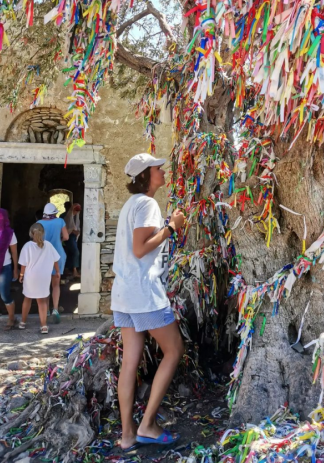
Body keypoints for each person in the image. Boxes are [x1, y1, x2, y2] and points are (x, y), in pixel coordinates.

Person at [112, 153, 186, 450]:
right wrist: (171, 227)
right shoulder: (147, 203)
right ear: (145, 175)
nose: (162, 171)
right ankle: (147, 425)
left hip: (124, 294)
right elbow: (141, 249)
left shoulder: (131, 205)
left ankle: (128, 435)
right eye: (158, 168)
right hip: (144, 294)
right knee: (174, 349)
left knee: (129, 362)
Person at [18, 223, 61, 334]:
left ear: (31, 233)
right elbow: (55, 260)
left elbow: (23, 264)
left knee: (27, 298)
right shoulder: (48, 245)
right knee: (41, 301)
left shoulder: (27, 246)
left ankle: (23, 322)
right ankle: (44, 326)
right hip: (44, 276)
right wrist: (57, 271)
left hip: (31, 277)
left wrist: (21, 275)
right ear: (43, 233)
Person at [38, 202, 68, 322]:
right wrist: (59, 240)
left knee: (44, 285)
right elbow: (66, 237)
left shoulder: (38, 224)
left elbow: (35, 242)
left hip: (43, 256)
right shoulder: (60, 221)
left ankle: (45, 311)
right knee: (56, 284)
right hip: (58, 254)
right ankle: (55, 309)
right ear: (55, 212)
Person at [0, 208, 19, 331]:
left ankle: (11, 318)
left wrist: (15, 269)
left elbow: (14, 253)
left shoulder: (9, 233)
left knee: (5, 295)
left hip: (4, 267)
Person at [63, 202, 82, 280]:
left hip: (74, 238)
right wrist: (72, 231)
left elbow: (77, 227)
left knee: (72, 253)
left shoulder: (76, 217)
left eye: (77, 211)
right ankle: (74, 271)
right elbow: (65, 228)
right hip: (68, 238)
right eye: (75, 210)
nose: (76, 212)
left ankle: (70, 269)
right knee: (75, 252)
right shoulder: (66, 216)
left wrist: (77, 232)